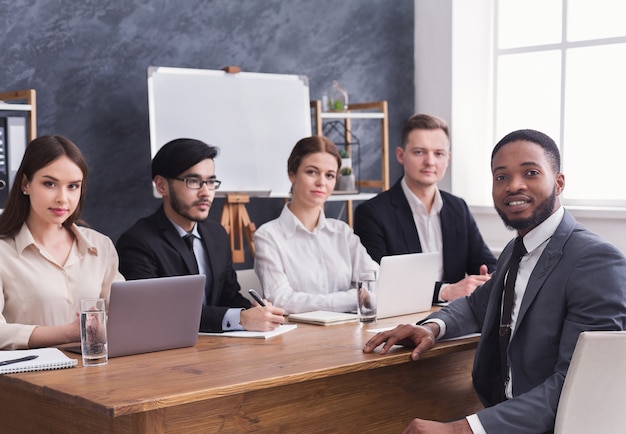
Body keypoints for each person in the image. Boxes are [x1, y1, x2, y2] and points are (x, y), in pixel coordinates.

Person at [363, 129, 626, 433]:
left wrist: (463, 429)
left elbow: (577, 384)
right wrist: (430, 328)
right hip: (502, 414)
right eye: (501, 177)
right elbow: (478, 306)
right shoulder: (517, 249)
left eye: (530, 172)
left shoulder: (596, 261)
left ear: (559, 182)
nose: (514, 185)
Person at [116, 138, 285, 333]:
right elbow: (157, 312)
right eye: (194, 181)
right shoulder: (138, 242)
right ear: (162, 186)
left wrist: (251, 309)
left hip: (218, 348)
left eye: (211, 182)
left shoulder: (217, 234)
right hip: (169, 354)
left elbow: (228, 296)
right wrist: (239, 318)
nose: (206, 193)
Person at [353, 114, 497, 303]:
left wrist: (491, 278)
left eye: (439, 153)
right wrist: (445, 291)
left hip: (455, 316)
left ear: (448, 158)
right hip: (401, 316)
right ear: (400, 155)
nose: (430, 161)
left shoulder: (457, 207)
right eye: (420, 152)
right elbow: (381, 281)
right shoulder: (371, 213)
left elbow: (485, 264)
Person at [0, 135, 123, 350]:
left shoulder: (100, 246)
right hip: (28, 378)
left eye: (73, 186)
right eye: (50, 184)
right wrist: (66, 333)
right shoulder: (3, 251)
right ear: (25, 184)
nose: (62, 198)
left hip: (95, 371)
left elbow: (125, 316)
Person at [254, 135, 378, 315]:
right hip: (299, 337)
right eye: (312, 172)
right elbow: (281, 300)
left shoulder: (342, 232)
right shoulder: (268, 236)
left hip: (350, 331)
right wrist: (353, 298)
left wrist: (363, 296)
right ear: (292, 174)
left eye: (330, 175)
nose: (321, 182)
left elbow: (375, 281)